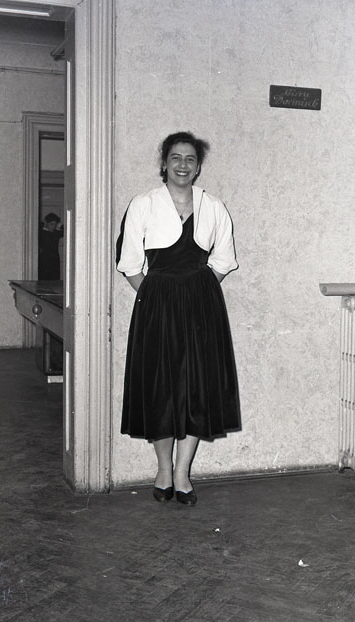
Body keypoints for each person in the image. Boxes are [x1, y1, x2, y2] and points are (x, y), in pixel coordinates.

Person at [116, 131, 241, 506]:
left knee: (196, 387)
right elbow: (129, 262)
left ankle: (183, 473)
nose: (183, 165)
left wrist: (197, 291)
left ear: (198, 166)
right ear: (164, 163)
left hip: (202, 306)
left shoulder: (213, 206)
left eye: (190, 158)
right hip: (156, 305)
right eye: (176, 157)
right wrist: (155, 294)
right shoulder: (144, 204)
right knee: (161, 388)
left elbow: (223, 260)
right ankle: (163, 470)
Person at [38, 213, 63, 280]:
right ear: (47, 223)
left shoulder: (56, 233)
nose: (53, 227)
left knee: (55, 281)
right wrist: (43, 222)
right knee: (43, 280)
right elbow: (38, 226)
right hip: (44, 261)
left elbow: (66, 230)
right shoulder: (41, 233)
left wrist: (59, 225)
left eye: (55, 225)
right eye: (51, 224)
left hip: (55, 262)